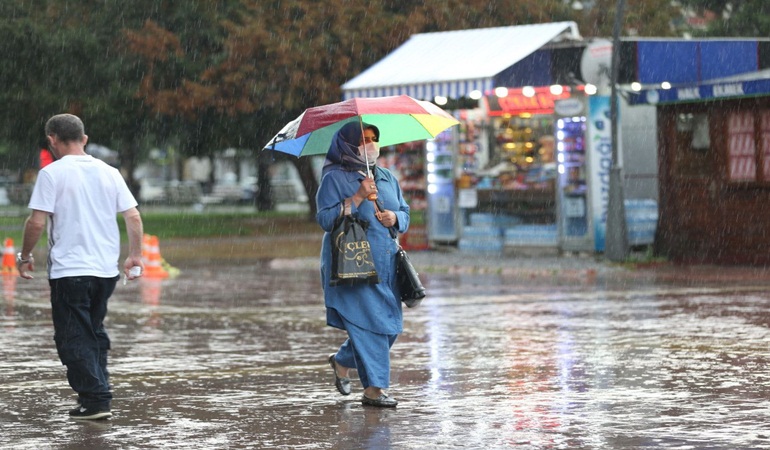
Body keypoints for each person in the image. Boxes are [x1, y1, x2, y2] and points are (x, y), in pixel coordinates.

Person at [17, 114, 145, 420]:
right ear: (84, 139)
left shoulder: (52, 174)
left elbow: (36, 221)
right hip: (105, 271)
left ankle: (96, 399)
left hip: (69, 271)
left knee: (73, 336)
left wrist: (24, 255)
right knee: (93, 331)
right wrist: (135, 256)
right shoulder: (110, 172)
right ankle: (96, 393)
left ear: (52, 140)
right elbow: (134, 217)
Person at [316, 121, 410, 408]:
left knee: (390, 326)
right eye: (363, 140)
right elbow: (325, 219)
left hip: (386, 264)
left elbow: (405, 212)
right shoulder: (334, 178)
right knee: (369, 326)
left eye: (374, 139)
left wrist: (395, 217)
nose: (370, 145)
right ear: (346, 145)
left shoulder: (385, 177)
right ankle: (374, 390)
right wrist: (356, 197)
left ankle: (342, 361)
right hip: (351, 264)